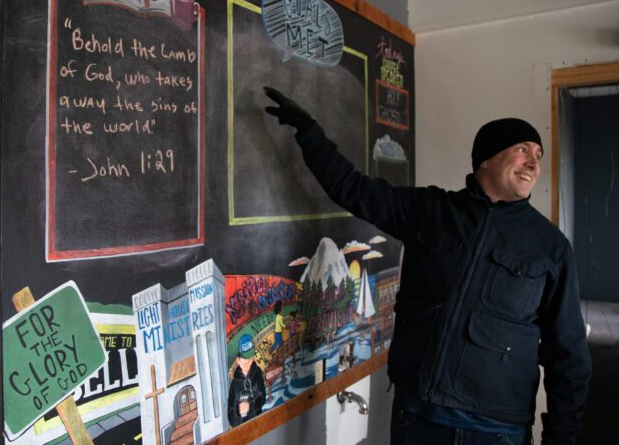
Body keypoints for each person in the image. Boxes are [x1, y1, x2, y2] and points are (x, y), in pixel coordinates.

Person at [263, 87, 591, 445]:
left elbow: (568, 355)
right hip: (417, 415)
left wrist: (562, 438)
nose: (534, 163)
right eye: (522, 150)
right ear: (486, 159)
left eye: (538, 155)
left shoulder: (550, 246)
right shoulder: (431, 210)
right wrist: (309, 133)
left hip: (496, 429)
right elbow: (352, 188)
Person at [228, 334, 266, 427]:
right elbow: (231, 413)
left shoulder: (257, 372)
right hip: (243, 427)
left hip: (258, 421)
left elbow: (262, 396)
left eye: (250, 359)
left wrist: (250, 407)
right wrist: (239, 413)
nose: (247, 363)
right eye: (244, 359)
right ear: (238, 360)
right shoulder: (235, 384)